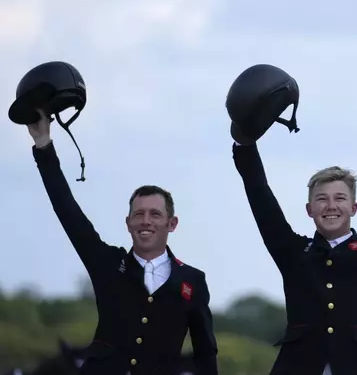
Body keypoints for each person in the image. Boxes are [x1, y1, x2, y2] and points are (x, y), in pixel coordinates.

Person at [232, 106, 357, 375]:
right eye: (321, 199)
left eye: (340, 199)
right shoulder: (294, 252)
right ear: (309, 209)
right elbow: (259, 195)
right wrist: (244, 142)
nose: (330, 206)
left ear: (354, 208)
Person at [27, 110, 219, 375]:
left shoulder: (193, 281)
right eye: (138, 214)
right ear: (128, 223)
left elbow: (205, 353)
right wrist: (43, 144)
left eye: (155, 214)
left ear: (171, 224)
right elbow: (68, 213)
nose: (146, 221)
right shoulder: (108, 264)